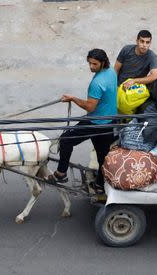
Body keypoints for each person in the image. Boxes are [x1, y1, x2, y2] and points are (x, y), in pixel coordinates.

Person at [50, 49, 118, 189]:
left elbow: (90, 107)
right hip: (110, 120)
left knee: (66, 140)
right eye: (89, 63)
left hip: (95, 122)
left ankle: (61, 173)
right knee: (102, 157)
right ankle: (100, 183)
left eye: (94, 64)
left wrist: (73, 98)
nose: (91, 67)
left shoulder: (97, 83)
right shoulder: (111, 72)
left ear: (103, 62)